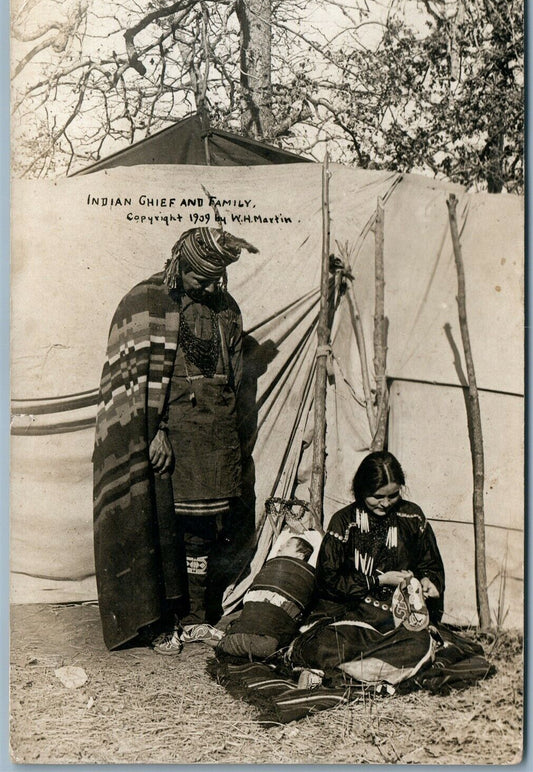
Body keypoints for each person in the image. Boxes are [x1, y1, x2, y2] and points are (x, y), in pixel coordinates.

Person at [93, 226, 258, 654]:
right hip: (171, 433)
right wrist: (156, 431)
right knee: (166, 526)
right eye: (199, 278)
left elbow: (236, 377)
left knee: (204, 529)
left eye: (214, 280)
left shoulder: (227, 310)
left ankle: (196, 617)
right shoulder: (149, 302)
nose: (206, 287)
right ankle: (161, 621)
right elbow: (139, 380)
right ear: (180, 265)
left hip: (214, 435)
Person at [288, 450, 446, 684]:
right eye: (377, 496)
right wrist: (378, 581)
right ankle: (372, 672)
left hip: (396, 618)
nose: (385, 503)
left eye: (392, 496)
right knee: (324, 644)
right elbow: (328, 580)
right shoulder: (344, 522)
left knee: (418, 643)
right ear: (361, 490)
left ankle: (344, 673)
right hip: (351, 612)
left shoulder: (411, 516)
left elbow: (429, 563)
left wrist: (428, 581)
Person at [215, 534, 315, 662]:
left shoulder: (303, 576)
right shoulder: (271, 569)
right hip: (269, 646)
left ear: (300, 556)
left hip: (238, 641)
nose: (280, 547)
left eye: (288, 545)